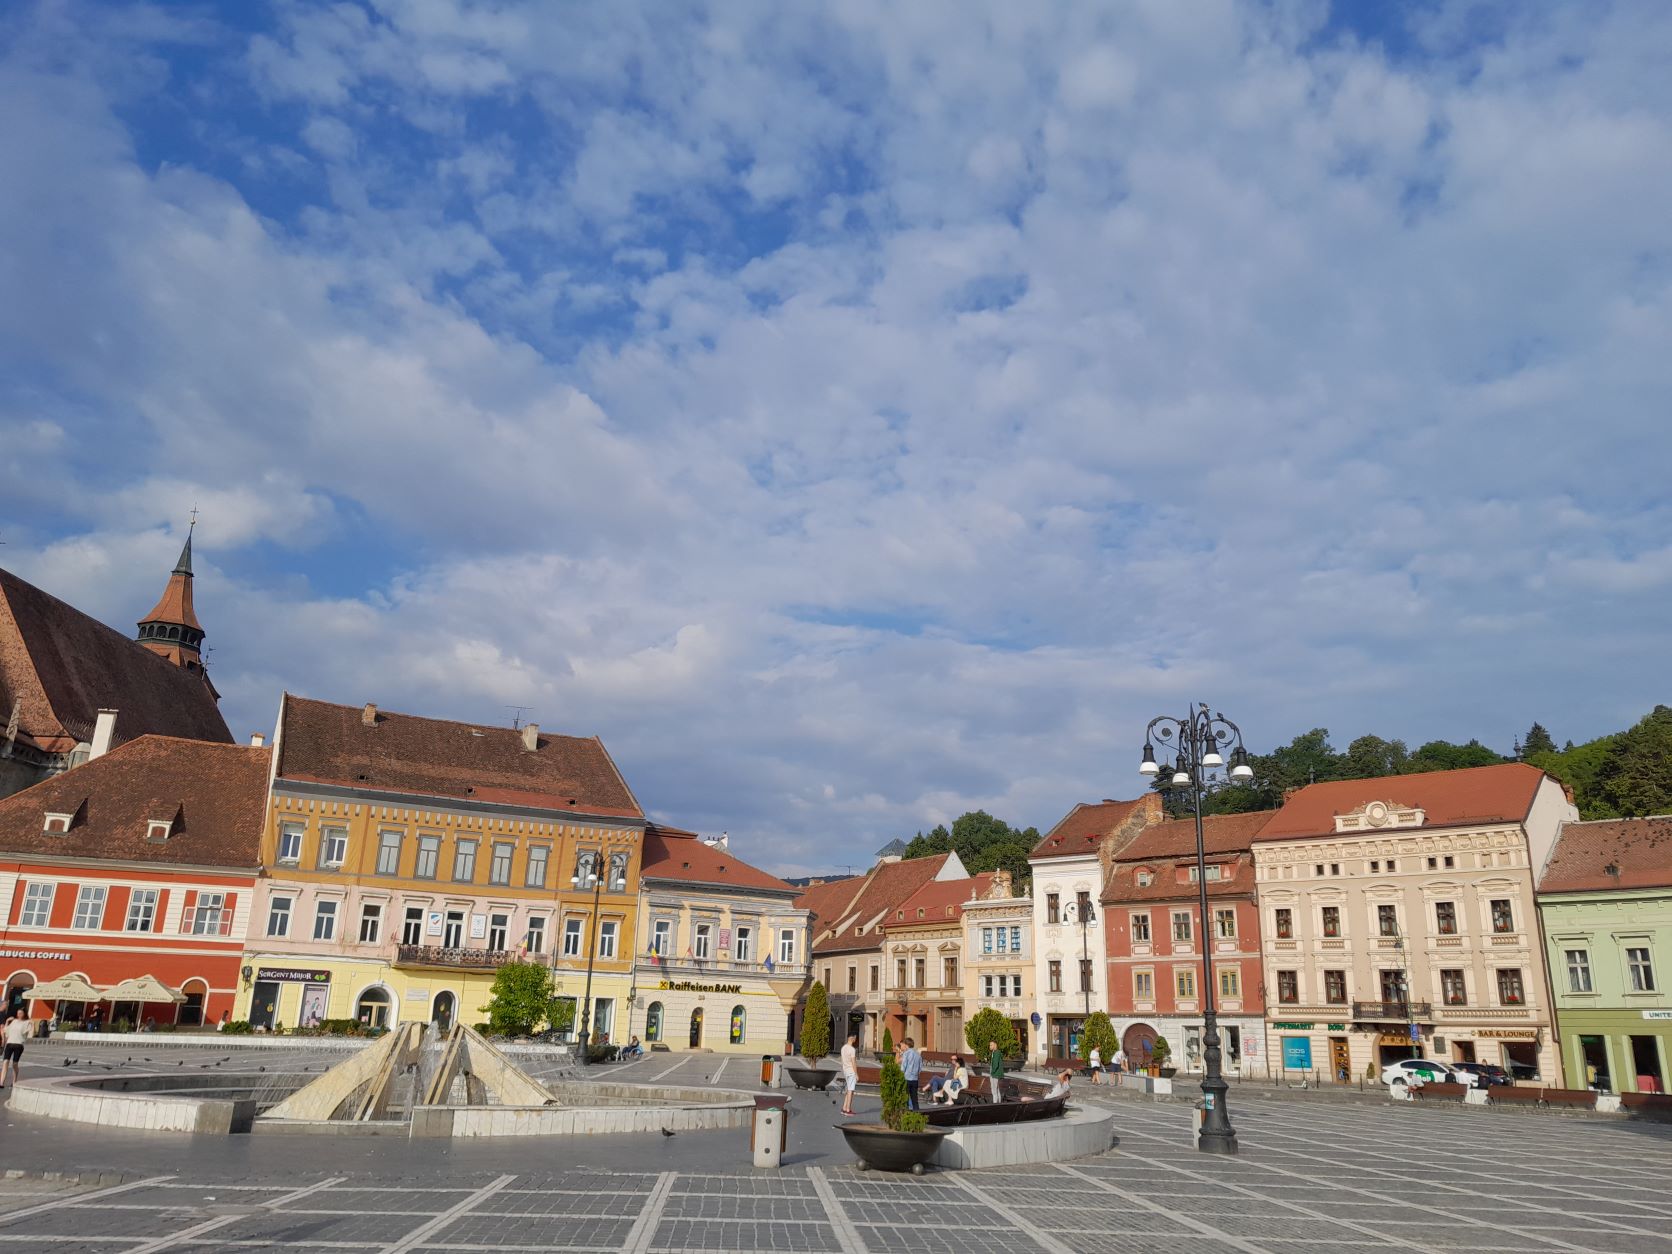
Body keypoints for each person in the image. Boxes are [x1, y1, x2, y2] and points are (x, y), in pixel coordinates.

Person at [1, 1011, 31, 1087]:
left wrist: (33, 1024)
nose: (19, 1014)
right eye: (18, 1013)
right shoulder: (14, 1021)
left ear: (24, 1014)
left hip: (19, 1045)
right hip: (9, 1044)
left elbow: (30, 1034)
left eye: (21, 1013)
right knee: (5, 1062)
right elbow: (6, 1031)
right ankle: (1, 1082)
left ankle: (14, 1081)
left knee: (14, 1064)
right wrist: (7, 1021)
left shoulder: (26, 1022)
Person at [900, 1036, 923, 1111]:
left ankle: (906, 1115)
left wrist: (901, 1075)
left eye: (903, 1044)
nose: (902, 1046)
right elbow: (920, 1069)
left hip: (907, 1078)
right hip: (915, 1079)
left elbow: (903, 1067)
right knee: (914, 1099)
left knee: (905, 1099)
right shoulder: (918, 1054)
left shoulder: (906, 1053)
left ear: (906, 1045)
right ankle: (917, 1115)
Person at [839, 1032, 859, 1116]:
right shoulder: (852, 1049)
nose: (856, 1039)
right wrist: (856, 1074)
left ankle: (844, 1108)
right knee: (851, 1090)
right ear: (852, 1038)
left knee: (848, 1089)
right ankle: (848, 1109)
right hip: (851, 1071)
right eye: (855, 1037)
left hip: (846, 1071)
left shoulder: (843, 1048)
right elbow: (853, 1062)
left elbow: (842, 1060)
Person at [987, 1039, 1006, 1104]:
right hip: (995, 1073)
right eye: (990, 1045)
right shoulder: (994, 1052)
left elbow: (995, 1064)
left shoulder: (997, 1053)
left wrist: (992, 1072)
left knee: (994, 1089)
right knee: (997, 1089)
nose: (990, 1046)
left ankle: (995, 1103)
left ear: (995, 1045)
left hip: (995, 1074)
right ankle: (998, 1102)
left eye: (991, 1045)